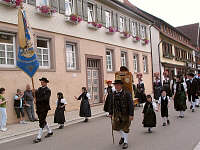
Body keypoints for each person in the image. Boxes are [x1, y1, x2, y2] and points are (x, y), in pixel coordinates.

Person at [109, 80, 134, 149]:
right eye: (115, 85)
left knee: (125, 128)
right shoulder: (113, 94)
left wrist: (131, 114)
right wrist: (110, 113)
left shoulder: (127, 93)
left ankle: (125, 142)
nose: (116, 86)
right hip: (117, 114)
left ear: (121, 85)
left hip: (125, 113)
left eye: (118, 85)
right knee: (116, 127)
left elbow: (131, 104)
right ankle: (123, 137)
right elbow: (111, 104)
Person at [33, 77, 53, 143]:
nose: (41, 83)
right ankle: (50, 131)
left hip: (44, 108)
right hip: (38, 107)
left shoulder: (48, 90)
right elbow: (36, 95)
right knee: (43, 120)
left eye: (42, 82)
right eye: (41, 82)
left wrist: (37, 100)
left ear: (46, 83)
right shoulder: (39, 89)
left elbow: (45, 99)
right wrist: (34, 92)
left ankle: (39, 137)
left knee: (41, 121)